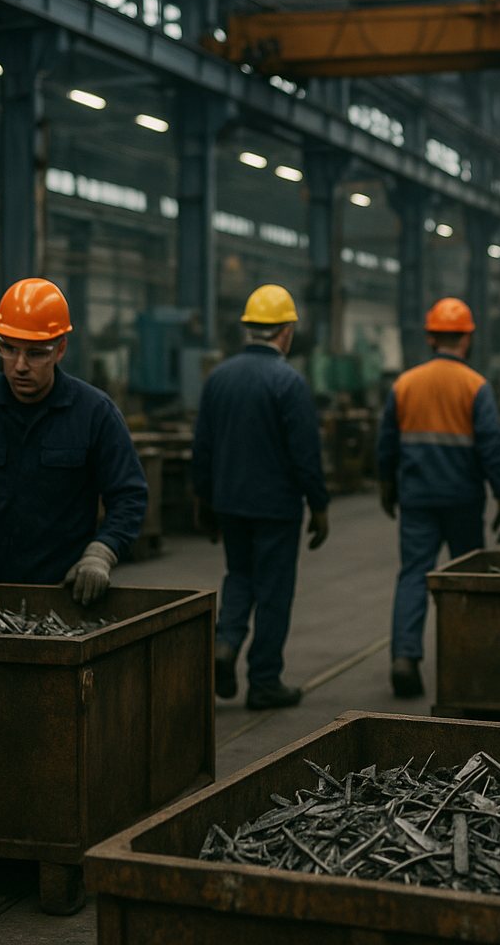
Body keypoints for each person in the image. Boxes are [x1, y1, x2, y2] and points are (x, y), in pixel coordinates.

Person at [0, 278, 147, 603]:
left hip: (69, 596)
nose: (19, 366)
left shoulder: (95, 413)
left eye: (35, 354)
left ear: (60, 349)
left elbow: (128, 494)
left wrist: (102, 553)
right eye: (8, 349)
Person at [191, 284, 329, 711]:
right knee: (273, 590)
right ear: (286, 332)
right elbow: (305, 454)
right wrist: (319, 505)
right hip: (275, 508)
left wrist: (204, 502)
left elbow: (203, 448)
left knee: (239, 575)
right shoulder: (288, 382)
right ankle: (265, 680)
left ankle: (225, 643)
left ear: (248, 329)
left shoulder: (219, 377)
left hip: (230, 503)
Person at [377, 297, 500, 698]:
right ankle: (468, 660)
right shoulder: (476, 386)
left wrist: (388, 487)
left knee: (413, 574)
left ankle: (405, 657)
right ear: (467, 340)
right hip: (462, 499)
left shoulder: (405, 384)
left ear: (430, 337)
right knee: (465, 580)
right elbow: (490, 447)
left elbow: (386, 444)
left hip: (417, 497)